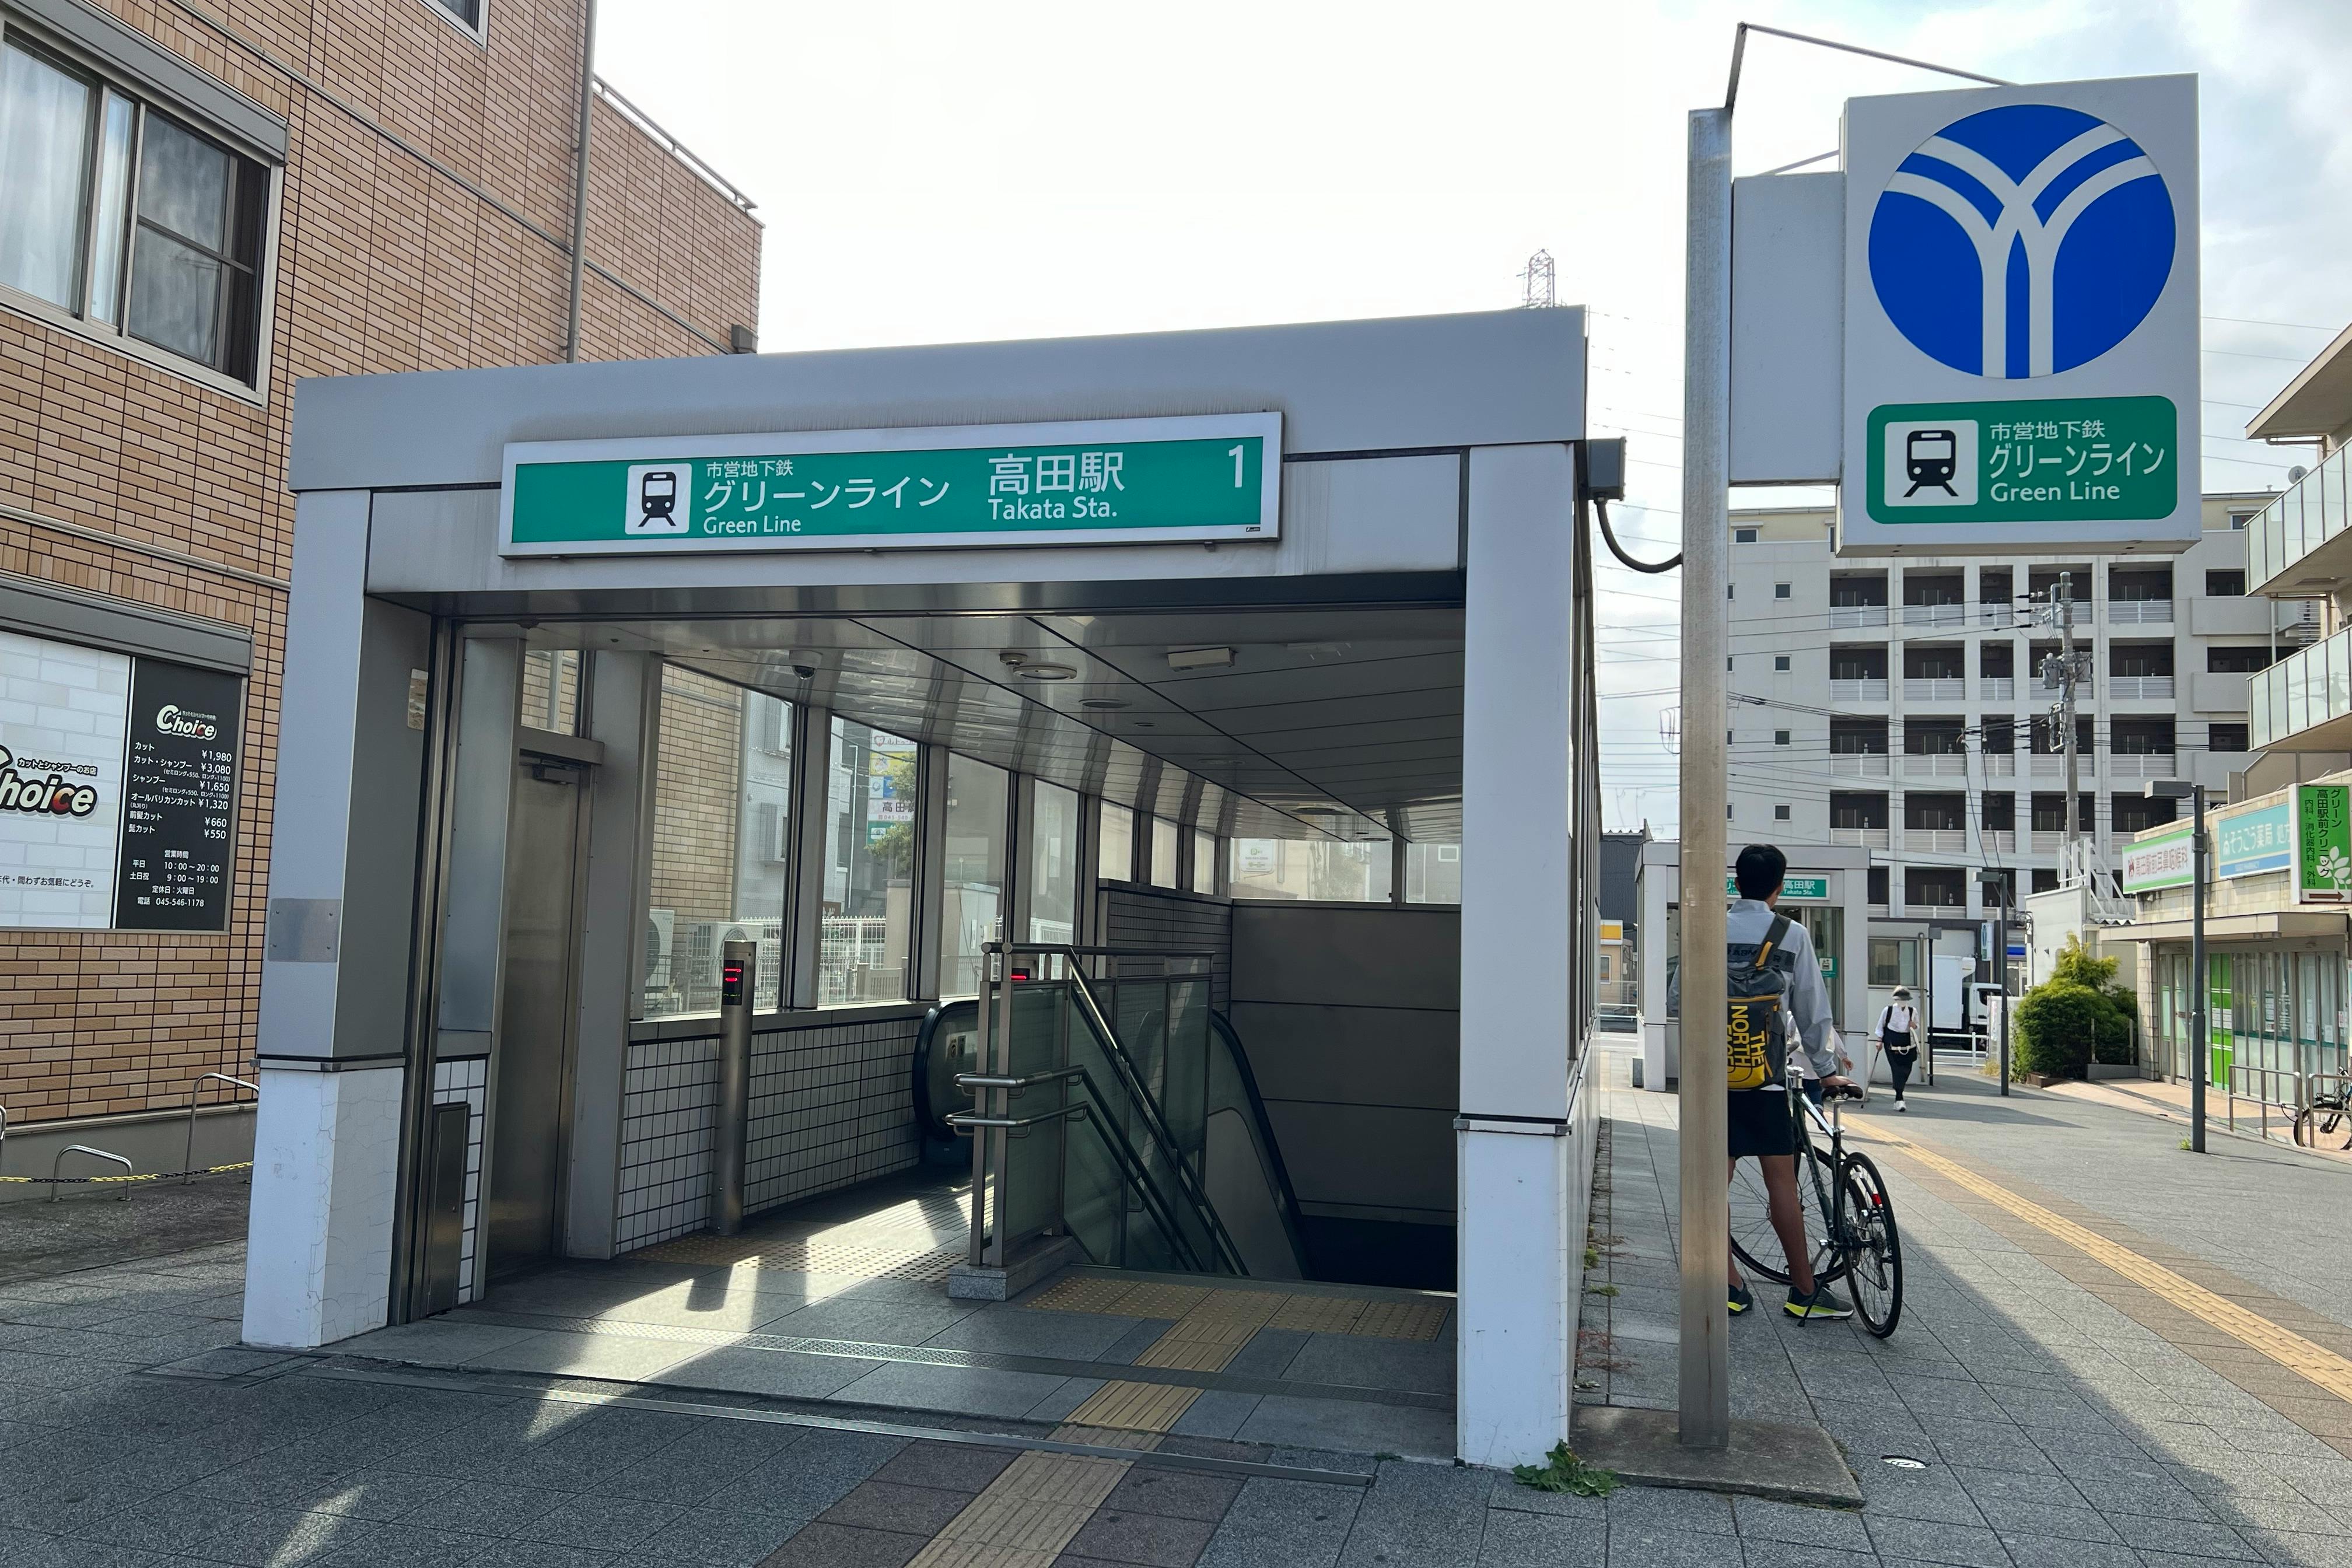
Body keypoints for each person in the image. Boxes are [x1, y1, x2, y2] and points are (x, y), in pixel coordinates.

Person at [1723, 844, 1854, 1321]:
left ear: (1737, 883)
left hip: (1714, 1081)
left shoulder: (1709, 928)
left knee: (1711, 1188)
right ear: (1779, 886)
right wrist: (1827, 1069)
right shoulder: (1791, 934)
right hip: (1768, 1081)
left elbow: (1678, 997)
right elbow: (1812, 1009)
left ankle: (1729, 1284)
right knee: (1782, 1181)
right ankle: (1804, 1291)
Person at [1871, 988, 1921, 1112]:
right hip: (1891, 1039)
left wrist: (1913, 1025)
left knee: (1906, 1069)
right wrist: (1879, 1040)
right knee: (1897, 1068)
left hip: (1906, 1041)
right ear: (1896, 1000)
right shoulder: (1888, 1010)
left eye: (1905, 1000)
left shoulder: (1912, 1011)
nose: (1903, 1003)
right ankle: (1899, 1099)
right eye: (1900, 1000)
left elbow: (1917, 1025)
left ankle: (1899, 1094)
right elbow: (1880, 1026)